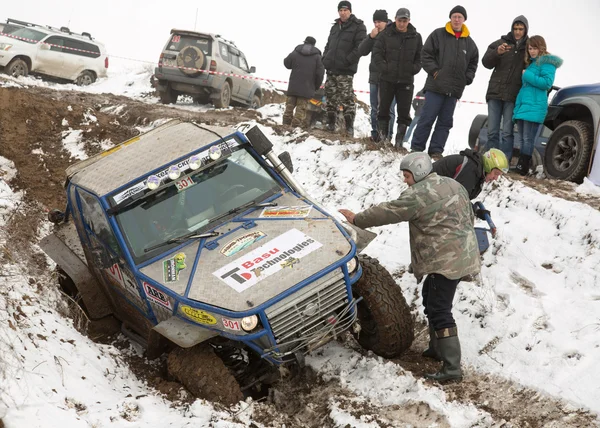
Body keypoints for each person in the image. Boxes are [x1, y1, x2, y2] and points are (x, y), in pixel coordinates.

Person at [338, 152, 480, 382]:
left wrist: (357, 219)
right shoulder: (452, 184)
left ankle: (452, 368)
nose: (405, 180)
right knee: (430, 297)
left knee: (440, 310)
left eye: (406, 175)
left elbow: (388, 211)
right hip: (464, 254)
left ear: (419, 173)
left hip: (444, 260)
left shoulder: (418, 195)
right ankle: (437, 350)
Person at [410, 5, 478, 160]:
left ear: (464, 20)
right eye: (454, 16)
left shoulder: (470, 43)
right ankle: (416, 148)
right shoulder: (438, 34)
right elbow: (425, 54)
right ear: (450, 18)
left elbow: (473, 63)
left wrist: (466, 78)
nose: (456, 19)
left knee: (445, 123)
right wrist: (435, 71)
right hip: (435, 87)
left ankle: (435, 151)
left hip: (454, 90)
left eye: (460, 17)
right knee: (426, 118)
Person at [372, 8, 423, 148]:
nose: (401, 23)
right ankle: (383, 140)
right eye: (399, 20)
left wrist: (413, 69)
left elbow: (421, 57)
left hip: (406, 81)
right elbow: (376, 53)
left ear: (409, 21)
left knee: (404, 112)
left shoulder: (416, 37)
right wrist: (384, 67)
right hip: (387, 79)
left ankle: (399, 143)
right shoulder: (385, 34)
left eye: (404, 20)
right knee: (383, 109)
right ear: (395, 19)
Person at [482, 16, 529, 163]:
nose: (517, 32)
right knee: (492, 132)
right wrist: (497, 52)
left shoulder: (528, 47)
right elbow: (485, 62)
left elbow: (536, 64)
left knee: (507, 133)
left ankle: (504, 163)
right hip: (495, 93)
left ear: (526, 30)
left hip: (513, 96)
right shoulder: (500, 43)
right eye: (515, 28)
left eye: (521, 29)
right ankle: (489, 162)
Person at [513, 35, 562, 175]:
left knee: (528, 138)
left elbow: (546, 83)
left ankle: (523, 166)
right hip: (525, 106)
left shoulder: (547, 63)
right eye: (529, 48)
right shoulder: (532, 64)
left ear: (541, 47)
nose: (532, 51)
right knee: (522, 138)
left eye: (534, 48)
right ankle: (521, 166)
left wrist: (527, 75)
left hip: (535, 106)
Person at [322, 1, 367, 136]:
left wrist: (348, 61)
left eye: (345, 10)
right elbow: (328, 44)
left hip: (346, 70)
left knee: (346, 98)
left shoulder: (359, 26)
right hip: (331, 68)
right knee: (330, 98)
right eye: (340, 10)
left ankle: (349, 128)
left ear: (350, 11)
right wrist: (325, 59)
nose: (343, 13)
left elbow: (360, 48)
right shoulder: (335, 27)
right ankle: (331, 125)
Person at [432, 148, 508, 219]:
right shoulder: (471, 170)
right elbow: (457, 200)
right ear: (488, 166)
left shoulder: (477, 171)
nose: (495, 178)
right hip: (428, 194)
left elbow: (459, 198)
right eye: (496, 173)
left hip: (434, 195)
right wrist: (476, 211)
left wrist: (475, 211)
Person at [358, 9, 396, 142]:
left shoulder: (394, 32)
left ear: (386, 21)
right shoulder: (374, 35)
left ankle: (387, 138)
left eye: (379, 21)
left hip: (389, 79)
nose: (377, 24)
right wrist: (370, 37)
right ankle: (376, 135)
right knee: (375, 108)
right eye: (375, 22)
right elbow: (362, 51)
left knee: (388, 109)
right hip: (374, 77)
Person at [283, 36, 325, 128]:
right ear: (314, 45)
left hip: (293, 86)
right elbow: (320, 74)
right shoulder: (318, 57)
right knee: (300, 110)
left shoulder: (296, 52)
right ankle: (294, 130)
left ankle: (284, 127)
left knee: (289, 108)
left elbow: (286, 63)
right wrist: (316, 86)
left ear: (305, 42)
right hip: (307, 88)